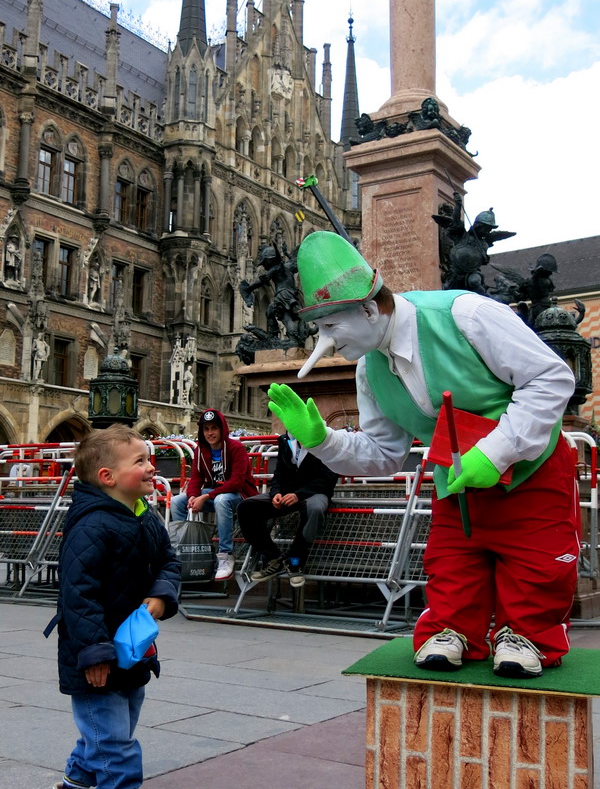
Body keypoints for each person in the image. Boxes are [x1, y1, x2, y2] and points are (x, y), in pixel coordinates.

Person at [267, 231, 580, 679]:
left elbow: (551, 379)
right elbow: (384, 454)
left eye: (331, 327)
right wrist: (322, 441)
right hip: (455, 483)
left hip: (533, 475)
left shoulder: (467, 315)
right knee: (452, 563)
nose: (327, 342)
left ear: (370, 309)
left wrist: (496, 453)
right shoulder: (369, 369)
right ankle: (454, 628)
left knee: (538, 564)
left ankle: (525, 633)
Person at [43, 425, 181, 789]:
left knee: (106, 732)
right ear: (107, 477)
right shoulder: (91, 525)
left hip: (132, 650)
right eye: (139, 460)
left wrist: (161, 596)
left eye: (148, 457)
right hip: (95, 655)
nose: (150, 465)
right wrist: (95, 653)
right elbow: (78, 596)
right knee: (113, 737)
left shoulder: (144, 515)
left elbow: (169, 563)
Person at [237, 432, 338, 588]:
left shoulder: (324, 437)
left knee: (315, 509)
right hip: (286, 493)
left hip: (313, 493)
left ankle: (295, 562)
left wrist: (299, 495)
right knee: (246, 507)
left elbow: (329, 478)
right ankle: (274, 558)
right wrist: (275, 493)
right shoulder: (286, 439)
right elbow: (279, 473)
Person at [170, 409, 258, 580]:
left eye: (214, 428)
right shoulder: (201, 451)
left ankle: (225, 555)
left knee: (221, 500)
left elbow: (237, 482)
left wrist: (205, 497)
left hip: (241, 495)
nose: (210, 433)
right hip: (214, 494)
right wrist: (194, 496)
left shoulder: (236, 448)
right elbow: (196, 479)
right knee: (177, 501)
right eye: (206, 429)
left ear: (222, 429)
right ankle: (185, 551)